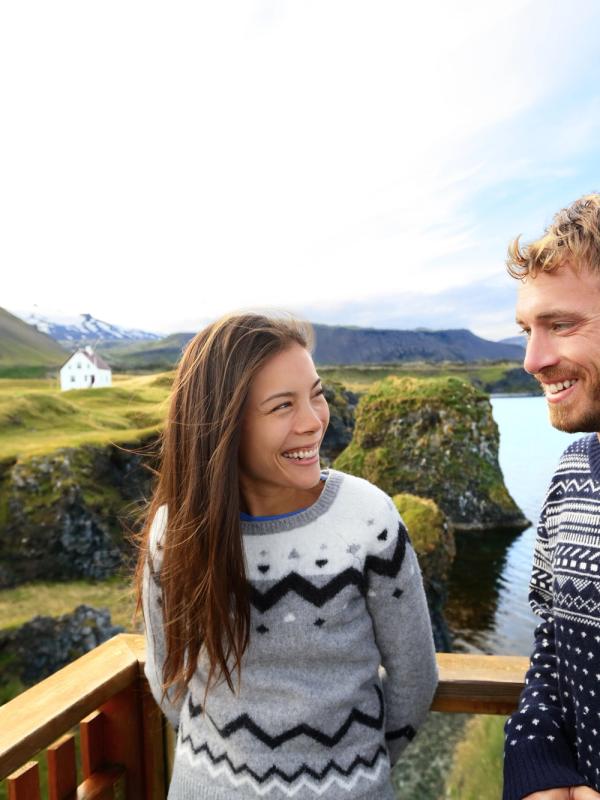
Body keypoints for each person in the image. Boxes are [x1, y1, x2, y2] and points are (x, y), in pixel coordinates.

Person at [135, 312, 437, 800]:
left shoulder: (367, 518)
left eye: (317, 394)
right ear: (224, 424)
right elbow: (166, 672)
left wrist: (354, 773)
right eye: (282, 406)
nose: (313, 421)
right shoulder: (178, 532)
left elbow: (416, 678)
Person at [503, 194, 600, 800]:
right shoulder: (573, 475)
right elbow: (553, 643)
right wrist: (538, 765)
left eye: (561, 325)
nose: (532, 360)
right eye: (527, 330)